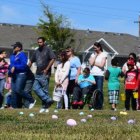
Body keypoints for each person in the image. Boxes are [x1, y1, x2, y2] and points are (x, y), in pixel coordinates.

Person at [29, 37, 56, 113]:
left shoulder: (48, 49)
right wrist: (27, 68)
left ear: (44, 42)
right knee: (35, 88)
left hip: (45, 73)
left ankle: (45, 107)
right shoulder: (36, 51)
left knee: (45, 90)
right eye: (38, 42)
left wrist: (47, 69)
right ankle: (48, 100)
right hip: (37, 73)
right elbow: (31, 61)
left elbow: (53, 58)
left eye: (40, 42)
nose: (39, 43)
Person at [9, 42, 36, 109]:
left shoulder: (22, 55)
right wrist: (10, 71)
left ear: (19, 48)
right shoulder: (12, 56)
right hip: (14, 75)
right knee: (14, 92)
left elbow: (24, 66)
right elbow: (11, 66)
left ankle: (31, 100)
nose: (13, 48)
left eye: (15, 46)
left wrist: (15, 67)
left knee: (18, 90)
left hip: (21, 74)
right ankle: (14, 108)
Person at [89, 42, 107, 109]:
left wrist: (94, 63)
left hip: (99, 75)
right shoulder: (93, 54)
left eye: (95, 48)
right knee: (92, 90)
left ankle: (99, 106)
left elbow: (102, 65)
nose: (94, 49)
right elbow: (91, 63)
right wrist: (95, 56)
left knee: (99, 90)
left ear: (99, 47)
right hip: (92, 75)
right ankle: (93, 105)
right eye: (93, 48)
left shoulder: (103, 54)